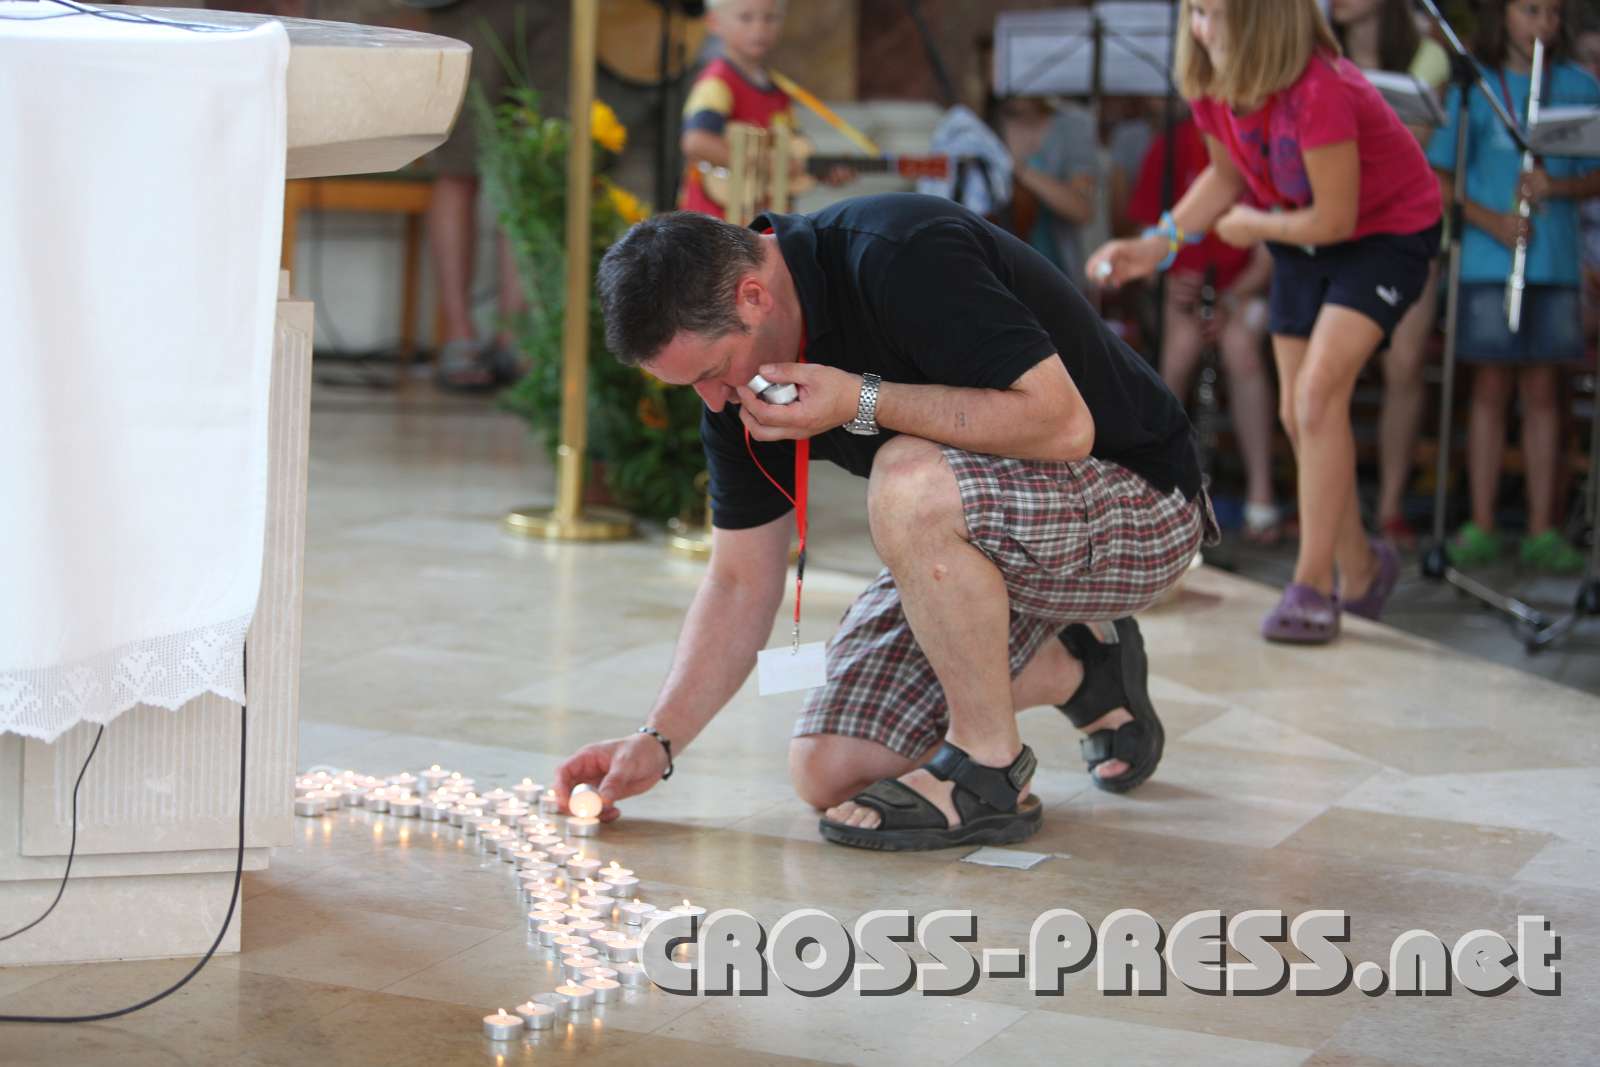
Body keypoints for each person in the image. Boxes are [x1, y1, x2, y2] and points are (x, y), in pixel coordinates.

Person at [555, 194, 1216, 851]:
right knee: (827, 766)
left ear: (753, 297)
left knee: (907, 479)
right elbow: (738, 580)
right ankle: (1084, 667)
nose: (714, 399)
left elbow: (1065, 425)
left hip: (1143, 503)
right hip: (992, 526)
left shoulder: (901, 254)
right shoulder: (736, 391)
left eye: (713, 371)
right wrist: (658, 739)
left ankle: (989, 768)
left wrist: (859, 400)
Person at [1089, 0, 1442, 645]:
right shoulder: (1215, 85)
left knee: (1317, 396)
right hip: (1298, 232)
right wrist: (1154, 244)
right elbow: (1224, 179)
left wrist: (1255, 226)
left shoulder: (1319, 89)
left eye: (1215, 13)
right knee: (1297, 413)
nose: (1202, 30)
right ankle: (1363, 569)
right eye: (1195, 13)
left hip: (1383, 234)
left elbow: (1335, 219)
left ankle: (1312, 586)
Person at [1428, 0, 1600, 575]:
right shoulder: (1475, 86)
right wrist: (1493, 222)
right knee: (1488, 390)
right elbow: (1441, 178)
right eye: (1530, 10)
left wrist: (1558, 187)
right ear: (1502, 14)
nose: (1543, 25)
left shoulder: (1579, 85)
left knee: (1545, 393)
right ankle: (1480, 523)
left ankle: (1541, 529)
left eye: (1552, 14)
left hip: (1554, 263)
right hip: (1485, 263)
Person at [1330, 0, 1451, 549]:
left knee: (1404, 366)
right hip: (1333, 230)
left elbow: (1412, 146)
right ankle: (1330, 506)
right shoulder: (1320, 52)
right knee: (1330, 375)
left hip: (1404, 231)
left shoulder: (1428, 55)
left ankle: (1391, 507)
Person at [1128, 110, 1280, 543]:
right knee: (1179, 350)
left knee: (1241, 351)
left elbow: (1267, 255)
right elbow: (1145, 241)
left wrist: (1231, 298)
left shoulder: (1259, 145)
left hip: (1242, 290)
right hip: (1183, 290)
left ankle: (1261, 494)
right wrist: (1169, 280)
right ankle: (1154, 490)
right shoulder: (1169, 146)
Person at [424, 2, 568, 390]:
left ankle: (515, 334)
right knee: (458, 163)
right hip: (469, 7)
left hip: (555, 11)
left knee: (533, 163)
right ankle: (458, 332)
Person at [678, 0, 794, 218]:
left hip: (761, 217)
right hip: (717, 219)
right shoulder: (717, 82)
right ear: (713, 22)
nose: (759, 28)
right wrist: (762, 165)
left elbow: (791, 149)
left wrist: (819, 170)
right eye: (745, 18)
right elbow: (696, 142)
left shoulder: (780, 90)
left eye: (770, 18)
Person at [1003, 97, 1103, 290]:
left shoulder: (1072, 124)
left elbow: (1082, 209)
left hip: (1058, 275)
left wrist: (1020, 170)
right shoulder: (986, 120)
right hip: (1004, 276)